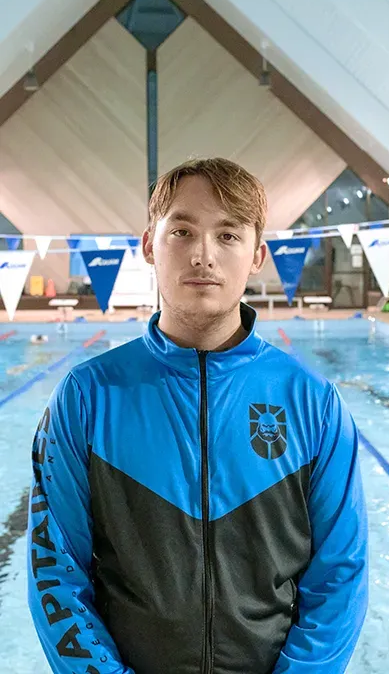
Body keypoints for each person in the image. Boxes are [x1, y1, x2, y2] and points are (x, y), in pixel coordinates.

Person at [27, 158, 368, 674]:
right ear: (148, 245)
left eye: (228, 234)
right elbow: (55, 571)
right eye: (182, 230)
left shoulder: (312, 402)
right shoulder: (88, 396)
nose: (203, 255)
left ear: (257, 255)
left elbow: (340, 575)